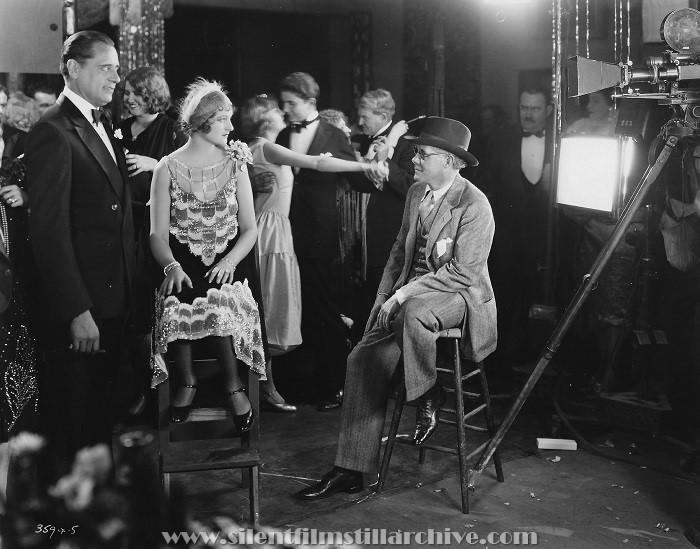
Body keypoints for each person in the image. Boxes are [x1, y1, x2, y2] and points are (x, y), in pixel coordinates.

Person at [295, 117, 496, 500]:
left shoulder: (474, 204)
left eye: (422, 154)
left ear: (451, 162)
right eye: (416, 152)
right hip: (407, 299)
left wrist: (401, 297)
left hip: (459, 298)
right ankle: (350, 469)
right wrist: (380, 300)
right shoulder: (417, 193)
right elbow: (397, 254)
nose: (414, 160)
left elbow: (463, 273)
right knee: (360, 359)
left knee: (413, 312)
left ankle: (426, 395)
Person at [24, 31, 134, 476]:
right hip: (84, 308)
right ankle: (60, 532)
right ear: (72, 68)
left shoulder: (101, 122)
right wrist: (76, 309)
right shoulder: (52, 129)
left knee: (97, 423)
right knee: (69, 425)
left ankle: (91, 520)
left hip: (113, 302)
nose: (117, 76)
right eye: (106, 67)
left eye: (117, 67)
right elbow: (48, 231)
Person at [240, 95, 385, 413]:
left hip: (273, 231)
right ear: (267, 122)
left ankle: (270, 386)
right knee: (273, 308)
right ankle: (269, 388)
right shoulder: (268, 148)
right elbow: (318, 163)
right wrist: (367, 165)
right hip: (274, 233)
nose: (287, 116)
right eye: (281, 112)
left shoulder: (253, 149)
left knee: (271, 307)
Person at [149, 78, 265, 431]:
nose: (232, 127)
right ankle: (186, 382)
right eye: (224, 118)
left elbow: (250, 229)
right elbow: (156, 233)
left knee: (219, 303)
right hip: (182, 266)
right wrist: (171, 266)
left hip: (226, 268)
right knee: (176, 299)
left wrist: (230, 261)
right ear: (202, 122)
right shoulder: (165, 167)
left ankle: (233, 387)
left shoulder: (235, 162)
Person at [276, 72, 382, 411]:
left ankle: (334, 385)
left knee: (323, 307)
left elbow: (357, 176)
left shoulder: (334, 134)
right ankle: (298, 383)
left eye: (291, 103)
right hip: (285, 231)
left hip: (321, 232)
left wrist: (377, 169)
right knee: (295, 304)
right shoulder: (281, 133)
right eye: (284, 103)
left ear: (310, 102)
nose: (285, 109)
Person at [116, 66, 186, 418]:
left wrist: (154, 162)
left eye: (134, 93)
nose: (127, 98)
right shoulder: (119, 128)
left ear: (152, 93)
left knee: (153, 310)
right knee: (130, 312)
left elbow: (190, 173)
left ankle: (162, 390)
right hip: (122, 227)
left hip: (155, 230)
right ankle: (141, 388)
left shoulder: (171, 129)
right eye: (125, 92)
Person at [482, 82, 553, 374]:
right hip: (506, 239)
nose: (529, 114)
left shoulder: (561, 140)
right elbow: (485, 188)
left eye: (536, 108)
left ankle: (533, 366)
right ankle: (497, 368)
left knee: (540, 300)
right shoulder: (499, 139)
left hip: (547, 238)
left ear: (548, 110)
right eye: (524, 108)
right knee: (503, 301)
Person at [352, 89, 415, 325]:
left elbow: (411, 187)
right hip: (355, 238)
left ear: (382, 116)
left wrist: (385, 159)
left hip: (384, 236)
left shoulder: (407, 146)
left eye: (364, 117)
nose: (359, 122)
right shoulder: (357, 141)